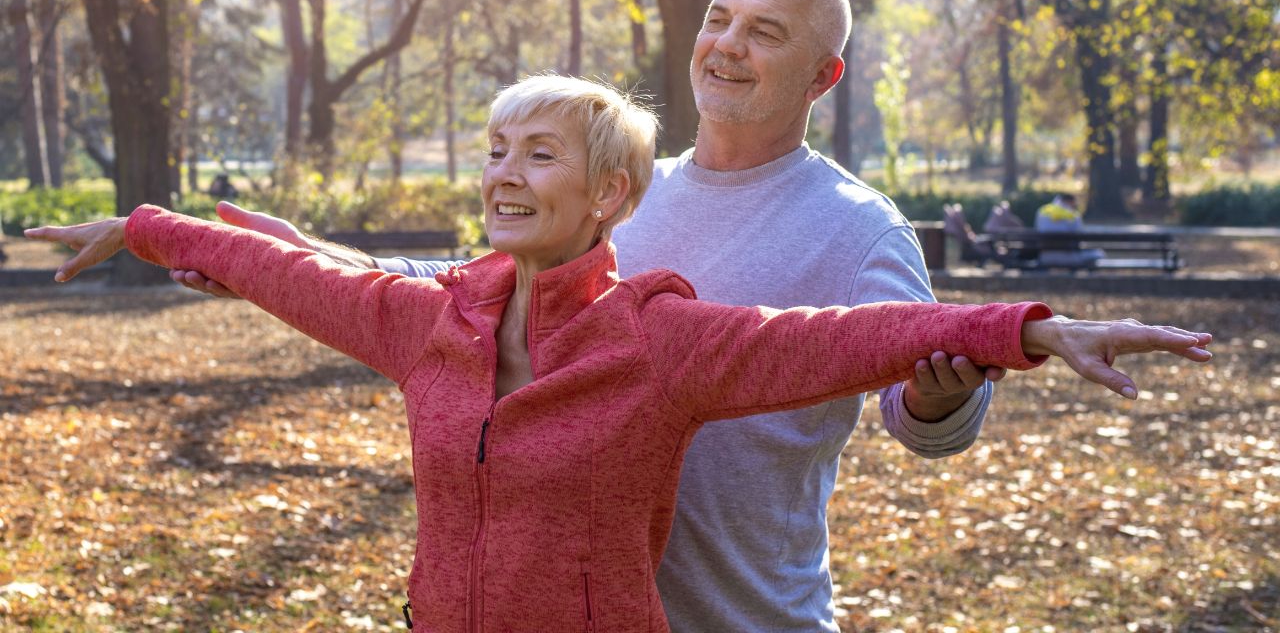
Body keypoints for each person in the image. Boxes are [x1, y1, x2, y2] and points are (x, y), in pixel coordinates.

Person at [27, 74, 1212, 631]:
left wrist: (1020, 329)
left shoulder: (659, 339)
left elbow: (842, 338)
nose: (502, 173)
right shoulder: (426, 319)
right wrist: (141, 227)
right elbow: (296, 272)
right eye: (494, 149)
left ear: (609, 194)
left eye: (537, 154)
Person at [169, 0, 1029, 631]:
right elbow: (471, 288)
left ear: (823, 75)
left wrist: (933, 397)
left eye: (764, 32)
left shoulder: (858, 228)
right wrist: (306, 256)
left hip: (746, 616)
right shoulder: (623, 189)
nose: (726, 45)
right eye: (718, 19)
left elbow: (929, 421)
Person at [1035, 193, 1104, 268]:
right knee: (1098, 253)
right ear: (1071, 202)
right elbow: (1080, 238)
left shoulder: (1042, 212)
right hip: (1070, 259)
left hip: (1045, 258)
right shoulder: (1073, 215)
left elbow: (1038, 229)